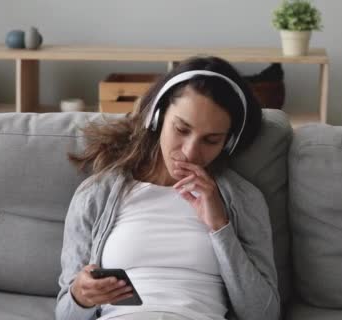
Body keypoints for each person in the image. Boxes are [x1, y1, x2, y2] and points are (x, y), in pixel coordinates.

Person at [55, 56, 280, 320]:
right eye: (182, 129)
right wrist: (81, 297)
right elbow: (65, 315)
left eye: (211, 140)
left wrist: (220, 226)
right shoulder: (95, 194)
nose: (191, 152)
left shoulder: (244, 199)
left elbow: (263, 314)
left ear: (227, 144)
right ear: (156, 117)